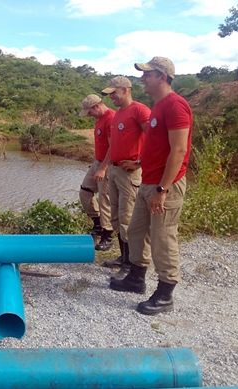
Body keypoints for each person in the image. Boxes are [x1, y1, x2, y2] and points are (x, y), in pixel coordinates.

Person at [110, 57, 193, 316]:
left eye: (147, 74)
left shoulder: (176, 105)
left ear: (162, 76)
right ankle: (136, 278)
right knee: (136, 231)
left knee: (163, 237)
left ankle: (165, 294)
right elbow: (156, 146)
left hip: (164, 185)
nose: (143, 79)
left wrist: (162, 189)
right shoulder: (158, 106)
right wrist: (140, 165)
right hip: (148, 181)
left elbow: (179, 150)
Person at [100, 76, 151, 271]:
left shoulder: (139, 110)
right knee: (115, 216)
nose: (111, 97)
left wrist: (139, 163)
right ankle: (123, 258)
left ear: (126, 89)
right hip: (114, 170)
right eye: (110, 93)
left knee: (127, 218)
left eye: (114, 92)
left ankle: (131, 264)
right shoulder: (119, 113)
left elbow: (154, 138)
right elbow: (114, 143)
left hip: (129, 173)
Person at [78, 94, 115, 251]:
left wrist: (103, 168)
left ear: (96, 107)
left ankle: (108, 235)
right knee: (85, 191)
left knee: (104, 199)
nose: (89, 116)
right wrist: (96, 164)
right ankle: (98, 223)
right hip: (97, 162)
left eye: (90, 112)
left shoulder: (111, 118)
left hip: (107, 165)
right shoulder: (99, 119)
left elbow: (113, 147)